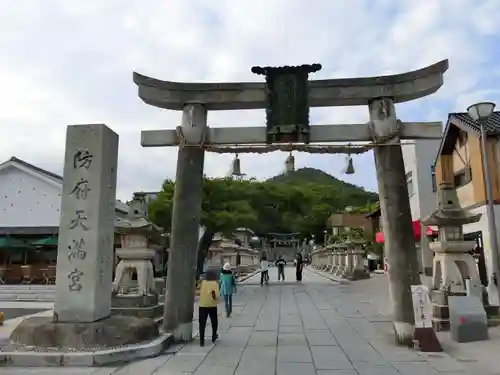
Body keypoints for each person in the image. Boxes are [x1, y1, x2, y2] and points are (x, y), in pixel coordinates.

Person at [198, 269, 219, 346]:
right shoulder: (215, 283)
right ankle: (214, 335)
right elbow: (216, 296)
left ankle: (201, 341)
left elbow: (198, 287)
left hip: (202, 305)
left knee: (202, 323)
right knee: (214, 321)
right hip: (212, 305)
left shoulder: (203, 282)